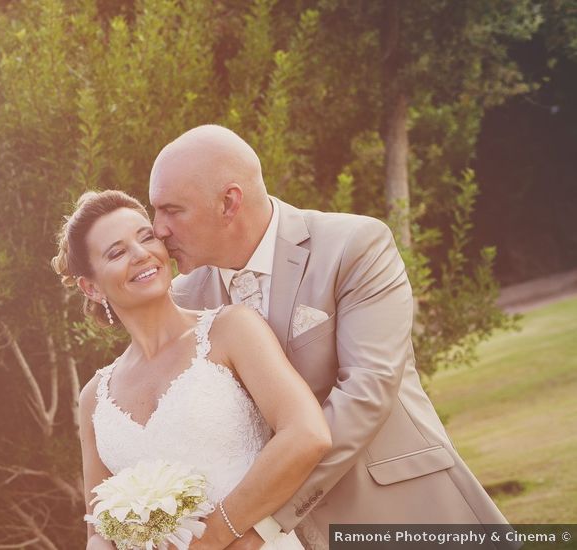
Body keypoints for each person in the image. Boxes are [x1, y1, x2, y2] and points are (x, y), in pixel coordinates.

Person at [149, 124, 510, 547]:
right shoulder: (183, 297)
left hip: (396, 511)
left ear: (229, 202)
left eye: (172, 210)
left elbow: (366, 391)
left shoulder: (354, 245)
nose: (158, 229)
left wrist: (261, 520)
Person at [52, 190, 332, 549]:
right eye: (117, 252)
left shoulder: (231, 330)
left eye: (146, 237)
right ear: (91, 287)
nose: (140, 255)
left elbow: (307, 435)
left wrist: (214, 537)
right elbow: (99, 530)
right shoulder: (94, 397)